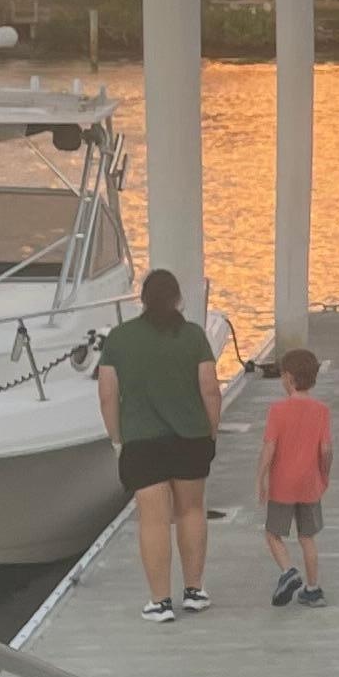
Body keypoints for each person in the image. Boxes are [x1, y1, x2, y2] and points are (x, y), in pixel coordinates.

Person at [97, 266, 221, 622]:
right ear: (178, 299)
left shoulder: (120, 338)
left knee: (153, 520)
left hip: (141, 441)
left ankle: (161, 602)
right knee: (191, 511)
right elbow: (210, 389)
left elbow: (107, 395)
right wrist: (210, 431)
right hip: (190, 438)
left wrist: (117, 438)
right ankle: (194, 591)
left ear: (143, 299)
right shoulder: (194, 336)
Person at [257, 345, 334, 608]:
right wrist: (324, 474)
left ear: (288, 378)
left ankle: (288, 571)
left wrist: (262, 477)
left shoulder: (278, 411)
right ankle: (313, 589)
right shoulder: (322, 410)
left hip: (282, 484)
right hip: (310, 483)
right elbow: (326, 450)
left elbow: (269, 447)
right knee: (307, 537)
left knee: (273, 533)